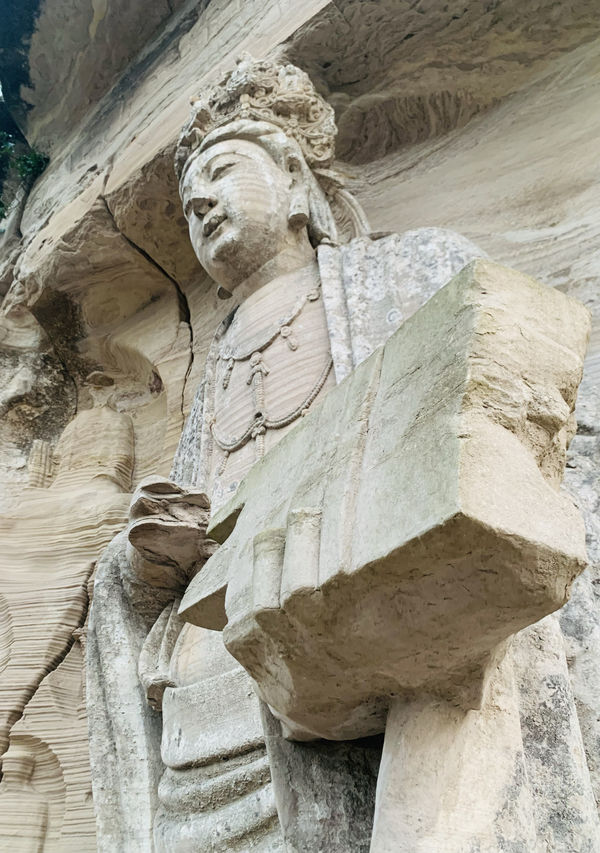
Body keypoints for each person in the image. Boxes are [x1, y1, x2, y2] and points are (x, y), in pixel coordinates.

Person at [87, 55, 483, 852]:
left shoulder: (410, 277)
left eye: (224, 171)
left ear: (298, 183)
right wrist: (145, 563)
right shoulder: (211, 381)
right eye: (190, 193)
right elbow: (193, 539)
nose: (198, 201)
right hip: (201, 707)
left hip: (345, 672)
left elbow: (522, 428)